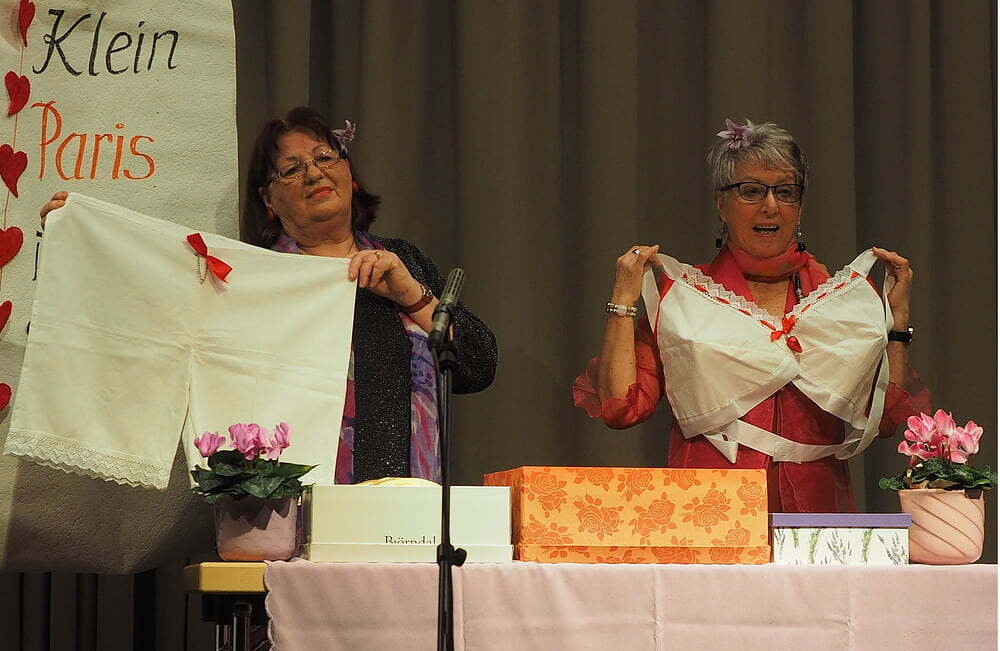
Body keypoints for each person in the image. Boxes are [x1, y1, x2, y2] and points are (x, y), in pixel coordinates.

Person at [39, 106, 497, 485]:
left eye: (325, 156)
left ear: (349, 174)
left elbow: (477, 367)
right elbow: (147, 324)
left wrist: (412, 296)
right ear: (268, 200)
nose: (313, 172)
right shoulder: (250, 280)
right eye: (291, 169)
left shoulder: (401, 261)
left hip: (409, 506)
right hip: (290, 507)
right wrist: (86, 235)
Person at [573, 118, 929, 513]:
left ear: (800, 206)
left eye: (785, 192)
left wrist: (896, 323)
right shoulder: (685, 298)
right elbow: (622, 408)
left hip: (817, 516)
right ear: (720, 203)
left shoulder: (839, 299)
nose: (771, 206)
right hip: (710, 513)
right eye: (752, 191)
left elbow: (885, 418)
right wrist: (623, 301)